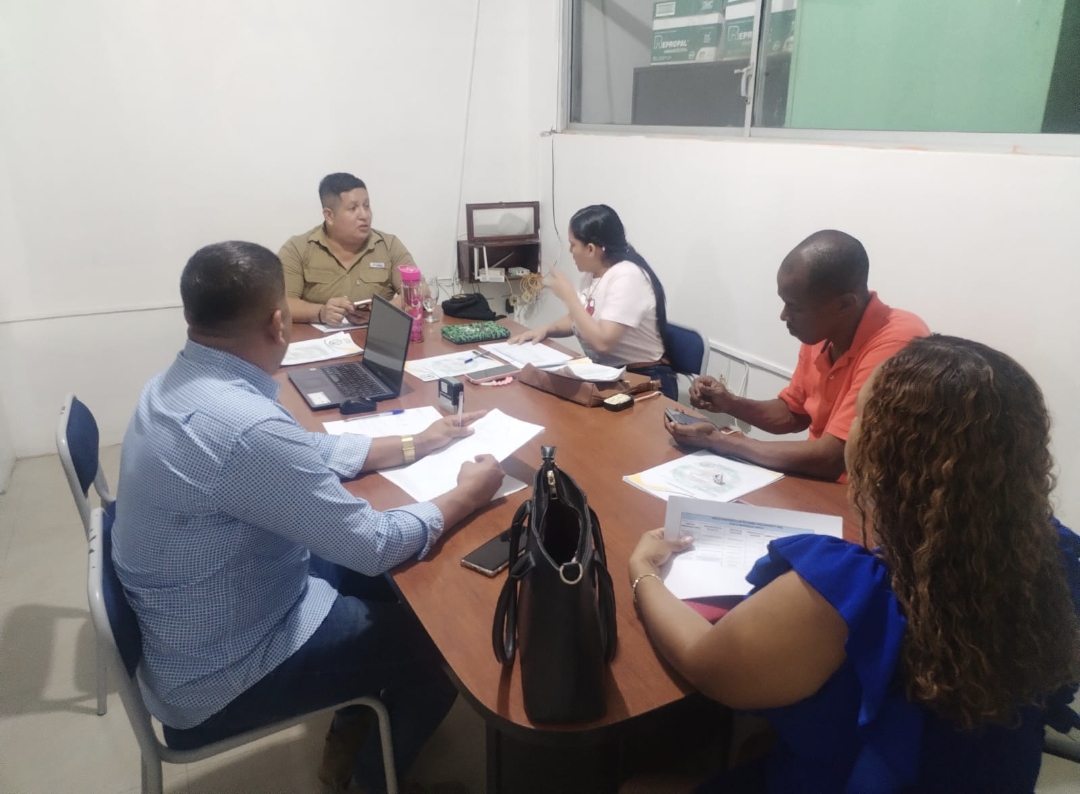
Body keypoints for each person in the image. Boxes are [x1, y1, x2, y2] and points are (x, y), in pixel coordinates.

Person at [112, 241, 505, 793]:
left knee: (396, 590)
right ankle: (369, 778)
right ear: (278, 323)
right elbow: (373, 543)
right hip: (228, 670)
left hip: (201, 625)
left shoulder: (175, 386)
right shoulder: (245, 428)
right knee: (439, 649)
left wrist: (417, 442)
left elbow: (303, 452)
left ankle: (357, 722)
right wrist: (469, 494)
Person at [630, 335, 1080, 793]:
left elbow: (706, 664)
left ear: (885, 451)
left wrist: (644, 570)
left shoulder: (848, 591)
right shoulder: (1060, 557)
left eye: (860, 415)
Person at [667, 230, 928, 480]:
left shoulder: (898, 342)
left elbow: (834, 458)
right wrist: (729, 403)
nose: (784, 316)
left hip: (863, 495)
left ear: (844, 304)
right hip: (818, 483)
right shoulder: (823, 331)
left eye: (794, 307)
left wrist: (721, 441)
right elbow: (793, 414)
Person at [508, 204, 678, 399]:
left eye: (573, 244)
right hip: (609, 374)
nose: (570, 250)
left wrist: (569, 296)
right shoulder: (592, 274)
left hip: (645, 379)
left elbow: (603, 343)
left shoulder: (628, 276)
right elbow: (580, 318)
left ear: (590, 249)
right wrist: (546, 329)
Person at [279, 173, 414, 326]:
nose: (364, 215)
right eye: (353, 208)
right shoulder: (298, 248)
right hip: (319, 339)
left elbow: (419, 290)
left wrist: (381, 312)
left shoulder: (388, 245)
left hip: (376, 336)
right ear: (329, 215)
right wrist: (321, 312)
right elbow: (283, 305)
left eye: (367, 206)